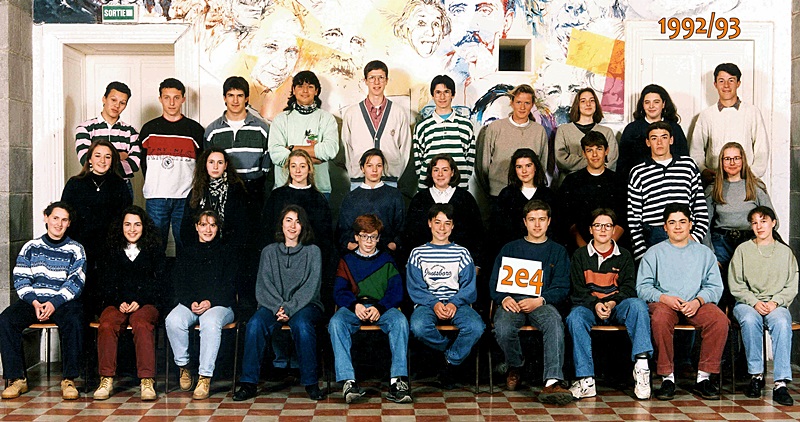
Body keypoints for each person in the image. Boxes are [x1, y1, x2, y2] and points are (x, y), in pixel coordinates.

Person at [233, 205, 325, 401]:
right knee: (255, 324)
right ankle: (248, 384)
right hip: (272, 305)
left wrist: (289, 308)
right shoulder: (269, 252)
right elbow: (263, 286)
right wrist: (278, 308)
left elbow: (311, 287)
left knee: (302, 325)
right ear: (281, 225)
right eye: (288, 220)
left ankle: (311, 383)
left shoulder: (313, 252)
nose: (292, 226)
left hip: (305, 306)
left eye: (298, 222)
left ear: (303, 226)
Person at [636, 204, 727, 401]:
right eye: (672, 222)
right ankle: (667, 377)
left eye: (682, 222)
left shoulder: (704, 253)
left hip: (695, 303)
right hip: (665, 303)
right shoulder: (654, 253)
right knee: (659, 319)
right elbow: (642, 287)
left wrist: (698, 301)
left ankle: (704, 378)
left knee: (719, 320)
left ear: (690, 225)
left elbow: (715, 286)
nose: (677, 227)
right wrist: (664, 298)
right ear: (665, 227)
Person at [489, 199, 573, 405]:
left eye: (542, 219)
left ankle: (552, 381)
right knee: (503, 327)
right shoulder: (510, 248)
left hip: (541, 302)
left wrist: (541, 300)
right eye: (532, 219)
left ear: (549, 221)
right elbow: (494, 282)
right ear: (525, 222)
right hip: (512, 302)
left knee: (554, 322)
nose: (537, 224)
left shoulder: (558, 251)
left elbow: (562, 286)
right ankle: (515, 365)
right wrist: (503, 297)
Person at [0, 202, 85, 400]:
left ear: (69, 223)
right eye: (55, 218)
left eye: (64, 220)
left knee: (74, 320)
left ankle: (69, 380)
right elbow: (21, 277)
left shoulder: (76, 249)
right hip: (34, 301)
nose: (59, 224)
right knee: (6, 319)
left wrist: (54, 303)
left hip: (61, 302)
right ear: (46, 218)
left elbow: (76, 281)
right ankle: (17, 379)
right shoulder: (31, 247)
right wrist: (34, 302)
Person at [566, 208, 652, 400]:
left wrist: (612, 303)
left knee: (638, 305)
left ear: (614, 230)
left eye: (607, 226)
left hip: (616, 307)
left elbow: (629, 288)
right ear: (590, 230)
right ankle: (586, 380)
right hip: (590, 308)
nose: (603, 230)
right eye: (598, 225)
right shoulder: (580, 255)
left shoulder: (624, 255)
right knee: (575, 317)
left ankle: (642, 369)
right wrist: (596, 304)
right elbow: (578, 290)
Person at [328, 214, 411, 404]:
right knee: (336, 322)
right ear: (356, 237)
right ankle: (348, 381)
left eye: (373, 236)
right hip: (354, 307)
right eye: (364, 236)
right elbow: (339, 291)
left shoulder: (387, 260)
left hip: (381, 307)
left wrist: (380, 308)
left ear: (379, 238)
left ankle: (397, 381)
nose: (368, 241)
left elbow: (396, 291)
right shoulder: (346, 261)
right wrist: (354, 305)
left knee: (400, 321)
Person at [407, 204, 485, 389]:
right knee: (418, 326)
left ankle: (450, 360)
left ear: (452, 226)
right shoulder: (417, 253)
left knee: (476, 326)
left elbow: (469, 287)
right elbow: (415, 287)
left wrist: (454, 303)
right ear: (429, 223)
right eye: (437, 222)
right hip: (427, 305)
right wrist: (434, 303)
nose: (442, 228)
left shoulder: (462, 253)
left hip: (458, 304)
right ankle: (448, 350)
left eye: (447, 223)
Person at [93, 206, 165, 401]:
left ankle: (147, 380)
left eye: (137, 224)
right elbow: (104, 283)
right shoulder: (110, 250)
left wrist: (139, 301)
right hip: (117, 304)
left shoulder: (154, 250)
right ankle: (106, 379)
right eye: (127, 224)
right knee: (107, 324)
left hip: (145, 304)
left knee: (141, 324)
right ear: (121, 227)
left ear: (144, 227)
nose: (132, 229)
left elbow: (159, 284)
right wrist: (119, 302)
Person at [165, 209, 237, 400]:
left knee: (210, 322)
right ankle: (184, 367)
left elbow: (230, 286)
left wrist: (210, 302)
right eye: (203, 225)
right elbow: (179, 284)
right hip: (192, 304)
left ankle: (205, 376)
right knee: (173, 320)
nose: (208, 229)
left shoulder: (227, 251)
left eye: (212, 225)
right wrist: (191, 302)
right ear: (196, 227)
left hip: (220, 305)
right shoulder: (187, 252)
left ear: (218, 228)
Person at [729, 206, 797, 406]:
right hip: (747, 303)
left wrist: (776, 302)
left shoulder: (785, 252)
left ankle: (780, 383)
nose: (759, 226)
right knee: (750, 319)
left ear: (773, 223)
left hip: (776, 304)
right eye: (754, 222)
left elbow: (791, 285)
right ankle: (756, 376)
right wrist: (754, 302)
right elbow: (736, 284)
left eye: (763, 221)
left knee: (782, 322)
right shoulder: (743, 250)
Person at [61, 139, 132, 316]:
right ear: (89, 159)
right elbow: (66, 216)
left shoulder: (120, 185)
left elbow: (125, 219)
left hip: (109, 250)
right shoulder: (75, 183)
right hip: (80, 249)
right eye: (98, 155)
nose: (102, 160)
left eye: (107, 157)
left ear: (113, 160)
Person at [139, 78, 205, 254]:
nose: (172, 102)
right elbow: (143, 163)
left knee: (185, 243)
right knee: (155, 246)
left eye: (176, 97)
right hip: (156, 196)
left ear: (183, 99)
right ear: (160, 99)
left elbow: (201, 165)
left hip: (185, 197)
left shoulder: (195, 130)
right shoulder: (149, 129)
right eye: (167, 97)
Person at [628, 122, 708, 260]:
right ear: (648, 142)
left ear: (671, 140)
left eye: (664, 137)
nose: (659, 142)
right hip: (653, 235)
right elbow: (634, 217)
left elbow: (700, 206)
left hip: (684, 233)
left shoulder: (688, 166)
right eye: (654, 138)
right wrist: (641, 254)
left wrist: (695, 237)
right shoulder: (638, 172)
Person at [690, 63, 770, 184]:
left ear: (738, 83)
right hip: (715, 181)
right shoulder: (706, 115)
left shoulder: (752, 112)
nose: (726, 85)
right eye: (721, 81)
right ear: (715, 84)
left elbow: (762, 149)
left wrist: (751, 174)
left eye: (731, 80)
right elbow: (696, 150)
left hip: (746, 181)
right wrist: (703, 170)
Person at [204, 76, 271, 214]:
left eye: (240, 95)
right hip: (224, 189)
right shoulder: (212, 130)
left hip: (254, 190)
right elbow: (207, 164)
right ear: (224, 98)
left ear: (246, 98)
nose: (235, 101)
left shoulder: (262, 128)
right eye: (231, 95)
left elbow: (267, 162)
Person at [341, 60, 412, 190]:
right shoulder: (352, 113)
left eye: (381, 78)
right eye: (372, 78)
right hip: (359, 181)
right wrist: (355, 172)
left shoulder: (398, 112)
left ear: (386, 80)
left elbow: (405, 148)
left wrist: (395, 174)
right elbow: (347, 148)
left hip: (389, 180)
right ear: (365, 81)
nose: (376, 82)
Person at [403, 154, 484, 267]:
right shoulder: (419, 199)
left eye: (445, 170)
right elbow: (410, 234)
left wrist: (476, 264)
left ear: (452, 172)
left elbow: (477, 234)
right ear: (431, 173)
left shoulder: (465, 198)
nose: (440, 174)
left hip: (459, 263)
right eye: (436, 170)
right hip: (426, 262)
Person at [268, 70, 340, 197]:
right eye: (300, 86)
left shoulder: (327, 119)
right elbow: (276, 154)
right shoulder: (280, 119)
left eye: (310, 87)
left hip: (319, 189)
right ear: (293, 90)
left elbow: (330, 150)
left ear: (316, 91)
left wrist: (291, 148)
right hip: (285, 188)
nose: (305, 91)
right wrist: (314, 157)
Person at [705, 142, 773, 274]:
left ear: (743, 160)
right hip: (721, 243)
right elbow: (704, 224)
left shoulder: (755, 187)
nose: (732, 163)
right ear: (721, 162)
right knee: (720, 280)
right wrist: (710, 254)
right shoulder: (713, 189)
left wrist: (761, 245)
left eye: (736, 158)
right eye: (727, 159)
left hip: (749, 241)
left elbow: (772, 221)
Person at [475, 84, 549, 199]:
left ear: (532, 105)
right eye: (518, 102)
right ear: (512, 103)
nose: (522, 107)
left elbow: (542, 164)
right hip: (498, 192)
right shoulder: (495, 128)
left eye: (527, 103)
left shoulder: (539, 131)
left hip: (529, 195)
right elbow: (484, 165)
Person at [558, 131, 625, 250]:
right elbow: (567, 220)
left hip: (613, 247)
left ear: (607, 151)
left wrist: (606, 247)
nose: (595, 154)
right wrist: (586, 251)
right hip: (580, 248)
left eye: (599, 149)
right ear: (584, 153)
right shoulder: (572, 181)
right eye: (589, 150)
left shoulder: (618, 181)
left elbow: (624, 218)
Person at [75, 81, 142, 198]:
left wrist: (99, 158)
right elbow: (85, 160)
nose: (117, 105)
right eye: (113, 100)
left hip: (122, 187)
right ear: (104, 99)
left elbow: (135, 165)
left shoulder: (131, 131)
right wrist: (120, 155)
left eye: (122, 103)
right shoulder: (85, 128)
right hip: (93, 185)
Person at [337, 149, 405, 255]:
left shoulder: (394, 195)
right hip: (358, 253)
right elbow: (343, 230)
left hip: (386, 253)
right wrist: (353, 246)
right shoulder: (351, 197)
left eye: (379, 166)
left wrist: (393, 245)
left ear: (383, 168)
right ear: (362, 168)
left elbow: (401, 227)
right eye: (369, 166)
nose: (374, 170)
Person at [413, 75, 475, 189]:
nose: (442, 97)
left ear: (453, 94)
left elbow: (470, 159)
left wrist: (462, 180)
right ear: (433, 95)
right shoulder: (422, 126)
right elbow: (418, 161)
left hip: (458, 188)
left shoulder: (466, 125)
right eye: (438, 92)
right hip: (429, 189)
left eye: (446, 92)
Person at [618, 84, 690, 181]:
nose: (651, 106)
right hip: (640, 182)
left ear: (663, 104)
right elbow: (623, 164)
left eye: (656, 102)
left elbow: (684, 159)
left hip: (672, 180)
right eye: (647, 102)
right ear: (642, 105)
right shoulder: (631, 129)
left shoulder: (675, 128)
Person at [491, 148, 556, 253]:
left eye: (528, 166)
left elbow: (555, 229)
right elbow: (497, 231)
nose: (524, 171)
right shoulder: (506, 195)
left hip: (543, 251)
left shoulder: (548, 195)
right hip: (513, 252)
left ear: (535, 167)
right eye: (519, 167)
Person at [554, 87, 618, 185]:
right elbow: (561, 160)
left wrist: (577, 162)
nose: (588, 104)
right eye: (583, 101)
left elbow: (612, 161)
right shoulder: (563, 130)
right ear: (577, 105)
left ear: (596, 104)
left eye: (592, 100)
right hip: (571, 184)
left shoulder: (607, 132)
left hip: (601, 184)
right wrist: (595, 162)